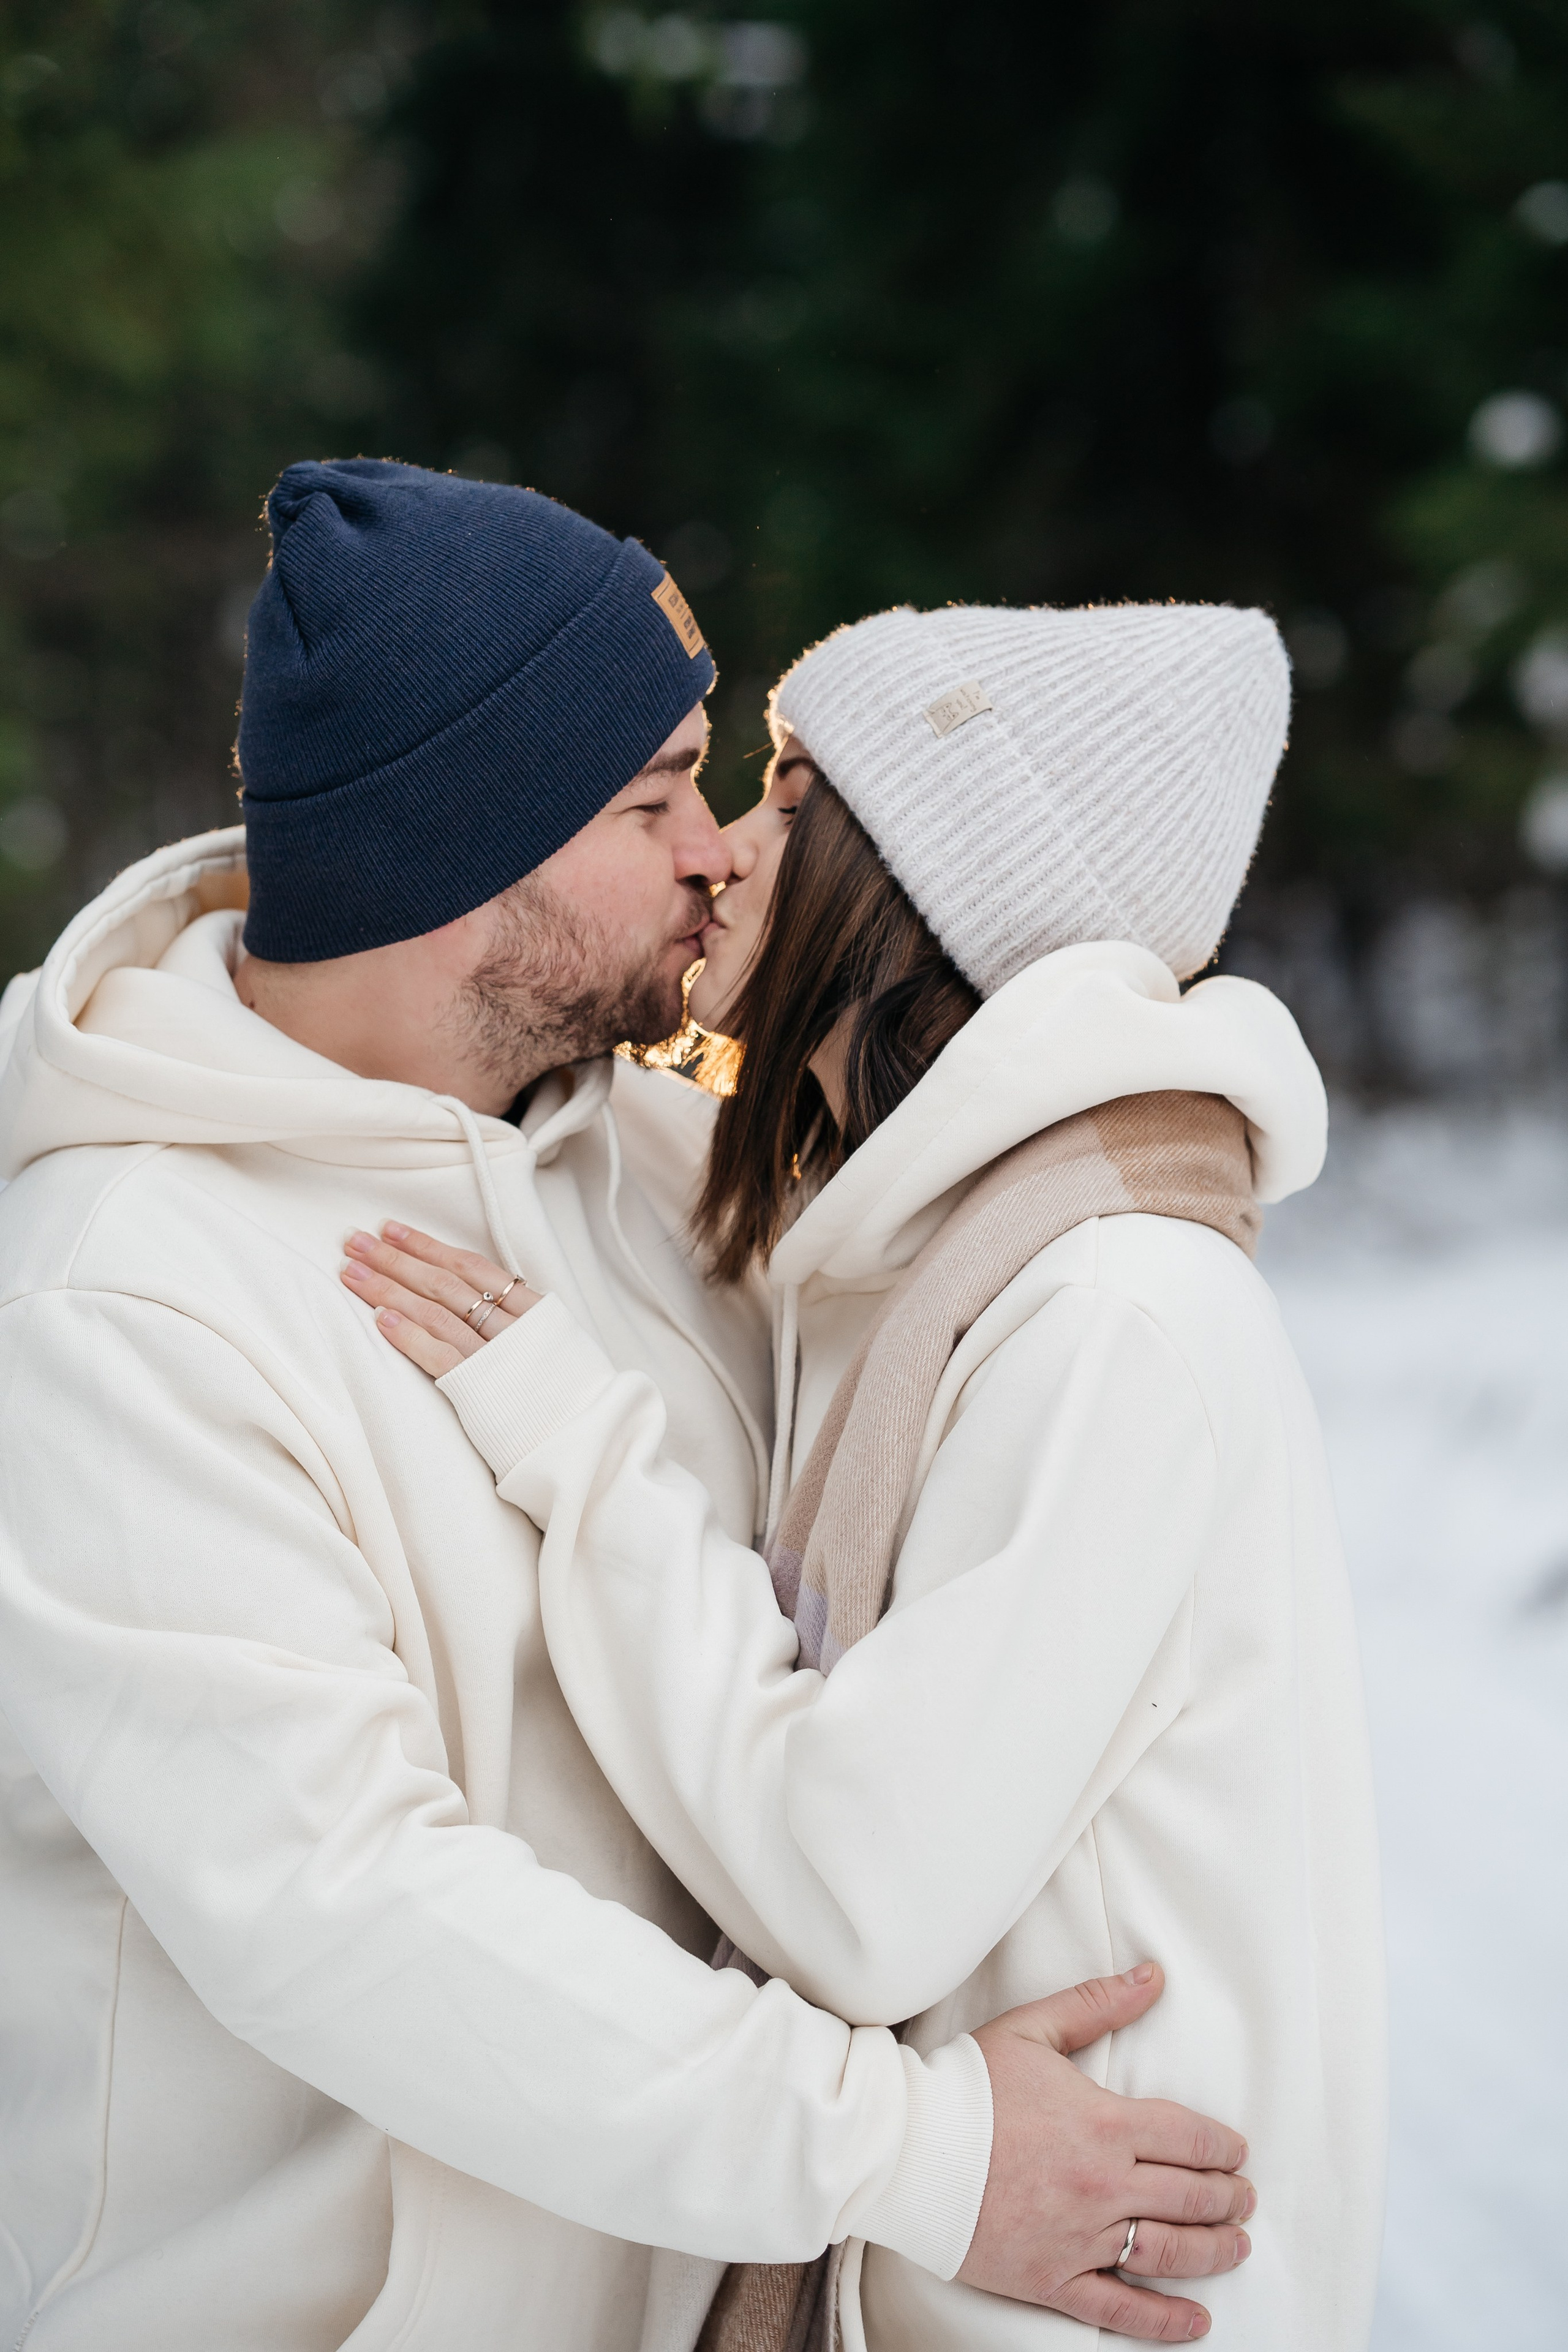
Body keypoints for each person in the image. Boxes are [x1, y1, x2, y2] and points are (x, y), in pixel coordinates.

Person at [0, 464, 1256, 2352]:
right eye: (654, 799)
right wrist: (923, 2156)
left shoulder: (659, 1163)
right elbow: (352, 1919)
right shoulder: (121, 1307)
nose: (719, 854)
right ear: (460, 848)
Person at [344, 600, 1388, 2350]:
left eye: (789, 799)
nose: (727, 854)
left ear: (924, 875)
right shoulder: (921, 1260)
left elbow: (858, 1892)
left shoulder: (1111, 1315)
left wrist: (575, 1447)